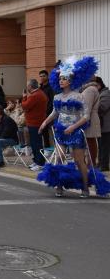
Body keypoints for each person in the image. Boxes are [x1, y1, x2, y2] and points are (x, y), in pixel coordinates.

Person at [37, 56, 110, 198]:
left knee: (79, 161)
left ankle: (85, 188)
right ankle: (59, 186)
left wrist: (73, 127)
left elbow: (86, 116)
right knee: (59, 158)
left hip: (75, 133)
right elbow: (54, 113)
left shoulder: (78, 97)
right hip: (61, 132)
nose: (61, 81)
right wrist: (44, 123)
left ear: (70, 81)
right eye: (60, 79)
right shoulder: (57, 97)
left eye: (64, 78)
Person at [21, 79, 48, 171]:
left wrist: (24, 97)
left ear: (30, 86)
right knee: (35, 143)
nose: (27, 88)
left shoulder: (35, 96)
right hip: (37, 122)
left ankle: (40, 163)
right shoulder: (40, 93)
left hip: (35, 123)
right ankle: (36, 161)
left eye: (27, 86)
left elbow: (25, 106)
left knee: (36, 144)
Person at [81, 77, 101, 166]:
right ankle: (90, 164)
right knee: (90, 141)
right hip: (90, 117)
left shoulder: (90, 89)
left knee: (90, 141)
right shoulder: (89, 88)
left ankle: (91, 165)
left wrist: (83, 120)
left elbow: (87, 108)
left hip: (90, 119)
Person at [39, 70, 55, 147]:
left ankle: (54, 148)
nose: (42, 78)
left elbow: (52, 101)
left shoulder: (50, 87)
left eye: (43, 76)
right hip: (41, 113)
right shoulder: (40, 88)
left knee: (51, 132)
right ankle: (47, 148)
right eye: (40, 76)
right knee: (44, 132)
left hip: (49, 113)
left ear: (47, 77)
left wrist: (47, 112)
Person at [97, 77, 110, 172]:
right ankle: (100, 163)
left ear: (99, 85)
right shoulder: (100, 94)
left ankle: (104, 165)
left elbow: (102, 108)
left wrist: (93, 106)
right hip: (101, 125)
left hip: (106, 125)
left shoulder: (105, 94)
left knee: (104, 146)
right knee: (101, 145)